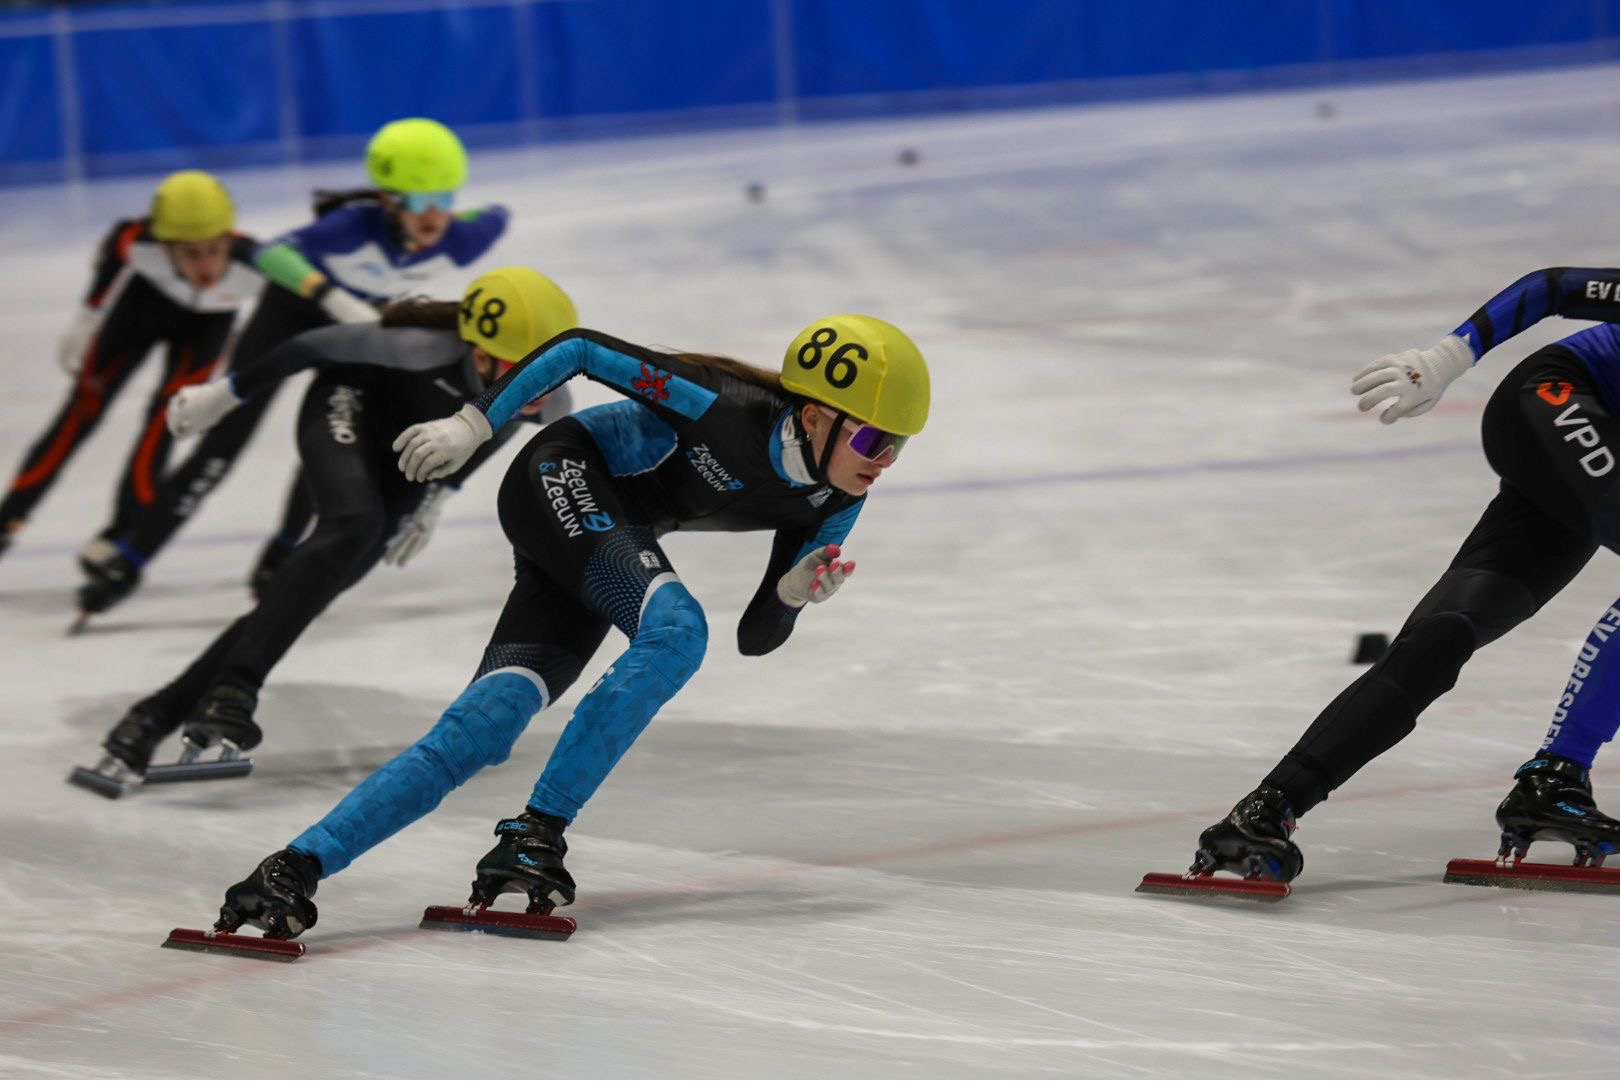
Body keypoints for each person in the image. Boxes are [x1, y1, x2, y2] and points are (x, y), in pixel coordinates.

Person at [194, 314, 930, 940]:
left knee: (488, 721)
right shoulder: (720, 406)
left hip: (607, 533)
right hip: (560, 472)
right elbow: (578, 346)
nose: (885, 461)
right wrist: (472, 421)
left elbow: (757, 636)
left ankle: (291, 868)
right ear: (812, 414)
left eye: (898, 446)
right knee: (674, 630)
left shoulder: (835, 497)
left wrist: (793, 593)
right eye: (873, 441)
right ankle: (534, 833)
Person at [1186, 266, 1618, 885]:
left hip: (1597, 451)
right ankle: (1559, 770)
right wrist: (1448, 356)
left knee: (1445, 634)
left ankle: (1267, 809)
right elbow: (1553, 287)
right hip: (1558, 398)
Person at [71, 267, 576, 797]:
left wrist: (439, 497)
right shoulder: (418, 346)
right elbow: (308, 345)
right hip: (346, 402)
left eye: (548, 374)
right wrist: (226, 395)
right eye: (523, 373)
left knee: (300, 596)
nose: (536, 390)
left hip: (407, 458)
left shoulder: (547, 402)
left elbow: (495, 428)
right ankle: (237, 687)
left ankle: (150, 718)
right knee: (353, 523)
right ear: (478, 353)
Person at [77, 117, 509, 614]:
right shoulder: (351, 227)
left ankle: (281, 553)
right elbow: (270, 253)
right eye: (415, 201)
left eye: (443, 199)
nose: (432, 216)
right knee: (223, 442)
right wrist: (332, 296)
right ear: (388, 199)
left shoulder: (464, 236)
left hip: (356, 333)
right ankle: (131, 557)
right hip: (290, 318)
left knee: (334, 443)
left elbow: (496, 212)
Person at [0, 172, 266, 568]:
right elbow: (113, 251)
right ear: (163, 245)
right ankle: (9, 518)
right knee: (80, 413)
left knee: (165, 422)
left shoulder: (258, 263)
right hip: (141, 312)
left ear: (231, 238)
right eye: (189, 254)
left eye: (214, 249)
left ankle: (123, 530)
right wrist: (88, 317)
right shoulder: (138, 241)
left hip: (207, 328)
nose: (206, 266)